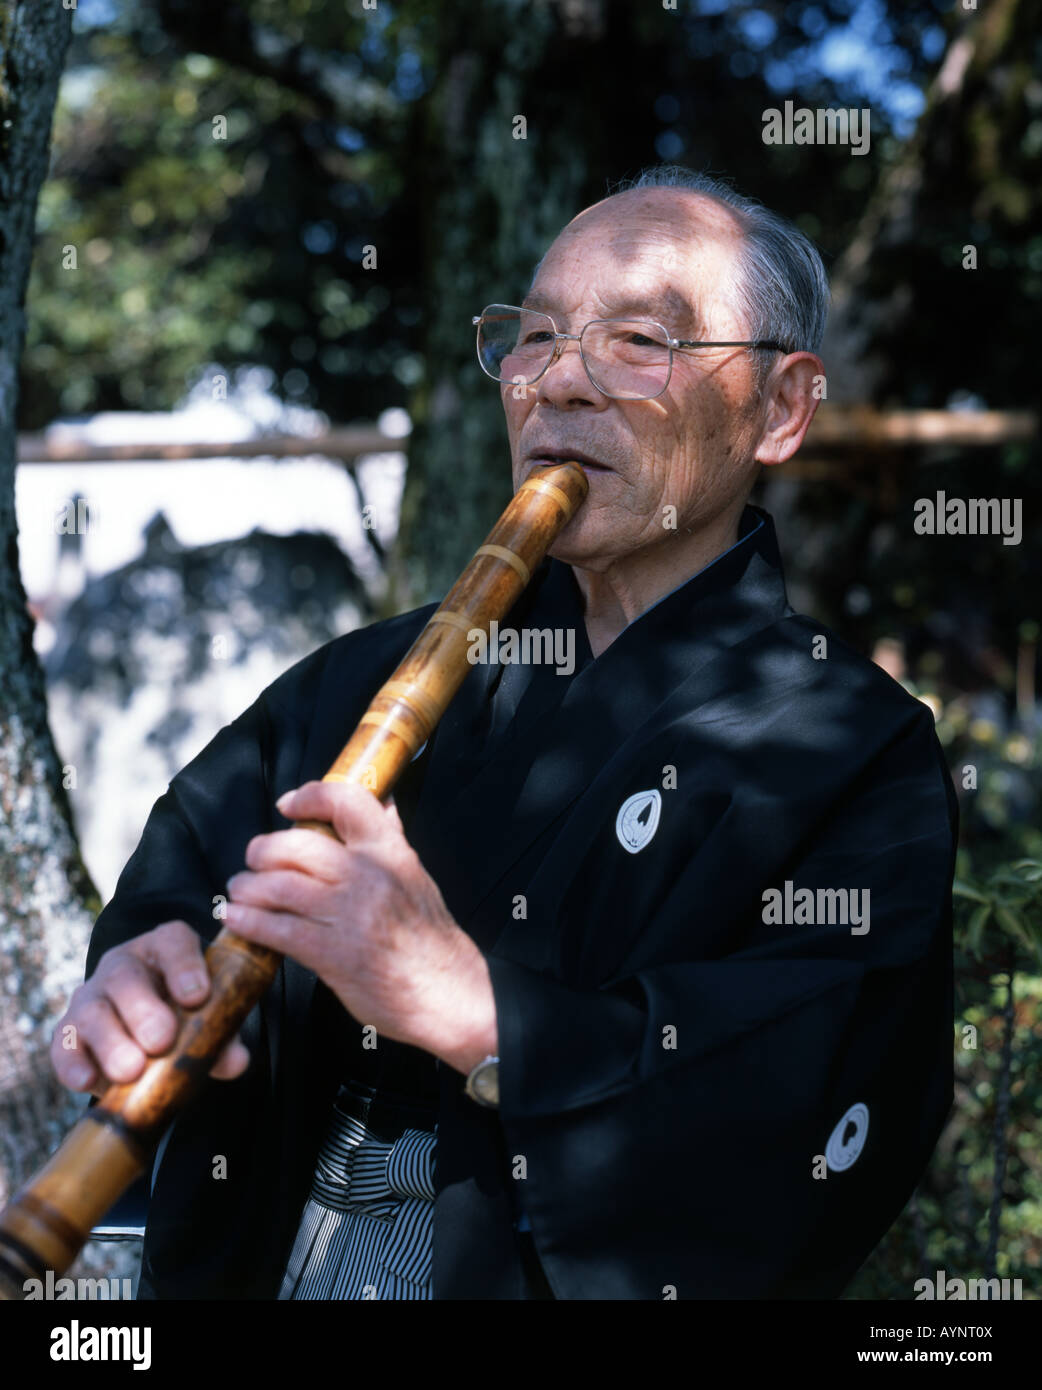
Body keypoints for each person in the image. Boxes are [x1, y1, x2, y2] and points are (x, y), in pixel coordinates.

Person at [51, 166, 956, 1300]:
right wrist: (146, 968)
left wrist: (474, 1009)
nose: (557, 382)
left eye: (639, 339)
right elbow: (189, 869)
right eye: (530, 337)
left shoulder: (854, 750)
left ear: (779, 407)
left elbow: (809, 1094)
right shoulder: (371, 680)